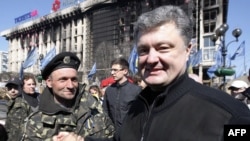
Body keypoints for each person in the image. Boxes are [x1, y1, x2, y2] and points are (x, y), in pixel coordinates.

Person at [116, 5, 250, 141]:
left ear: (187, 50)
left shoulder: (231, 115)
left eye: (163, 48)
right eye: (143, 50)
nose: (151, 59)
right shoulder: (136, 106)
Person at [21, 52, 114, 140]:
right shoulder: (35, 121)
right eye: (63, 80)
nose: (70, 85)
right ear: (49, 82)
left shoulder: (94, 109)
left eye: (73, 79)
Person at [102, 57, 141, 140]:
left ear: (125, 71)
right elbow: (105, 112)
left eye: (115, 70)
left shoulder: (136, 90)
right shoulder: (109, 90)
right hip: (113, 135)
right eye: (111, 70)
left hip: (132, 136)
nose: (112, 73)